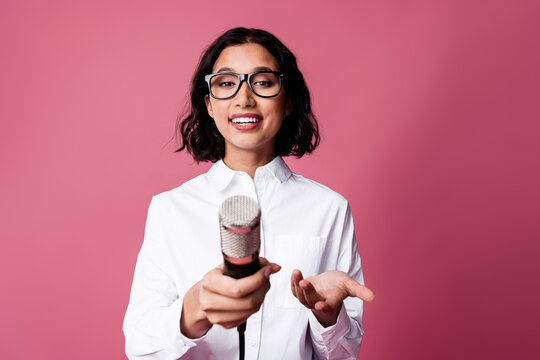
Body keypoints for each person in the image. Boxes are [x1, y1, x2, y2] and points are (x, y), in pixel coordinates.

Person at [123, 27, 374, 360]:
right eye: (226, 84)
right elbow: (140, 348)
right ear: (209, 104)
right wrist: (193, 310)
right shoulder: (170, 210)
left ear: (288, 102)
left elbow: (345, 355)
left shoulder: (329, 209)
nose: (244, 97)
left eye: (263, 82)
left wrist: (328, 317)